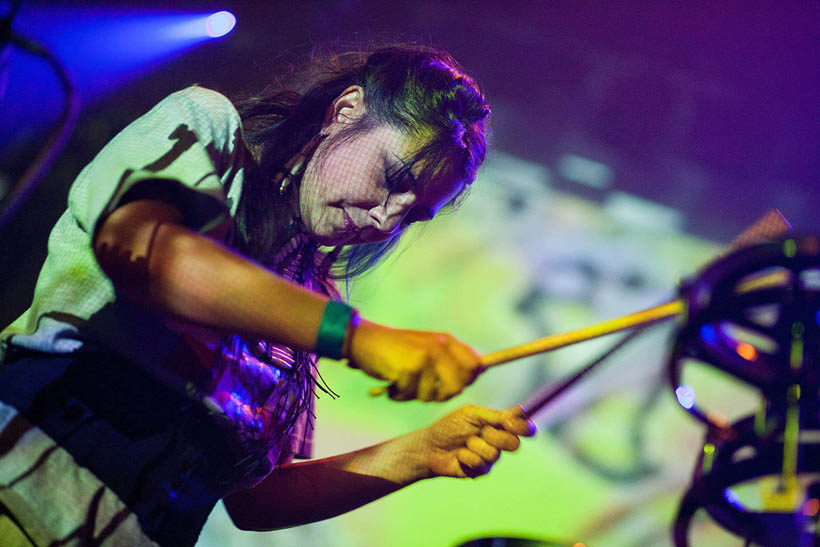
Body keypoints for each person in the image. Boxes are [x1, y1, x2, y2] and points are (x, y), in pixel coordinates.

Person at [0, 45, 535, 546]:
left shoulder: (310, 292)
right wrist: (355, 337)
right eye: (393, 178)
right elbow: (148, 254)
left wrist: (416, 453)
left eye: (413, 214)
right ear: (344, 111)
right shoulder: (211, 129)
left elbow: (254, 500)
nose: (386, 218)